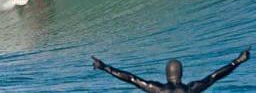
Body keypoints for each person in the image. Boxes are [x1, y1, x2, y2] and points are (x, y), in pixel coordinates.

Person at [92, 47, 250, 93]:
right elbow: (214, 77)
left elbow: (131, 78)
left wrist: (105, 67)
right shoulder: (191, 89)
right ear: (181, 74)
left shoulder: (158, 89)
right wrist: (238, 61)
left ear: (166, 74)